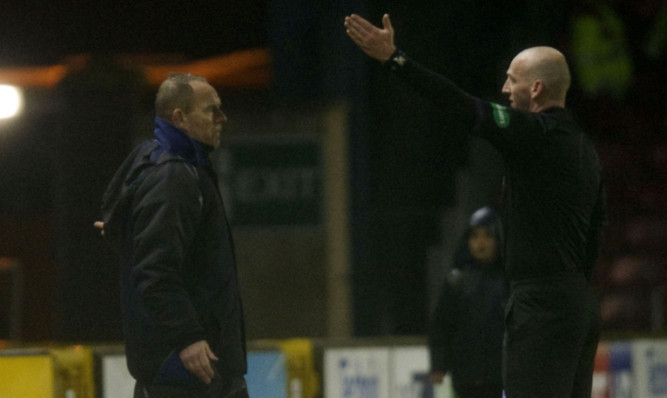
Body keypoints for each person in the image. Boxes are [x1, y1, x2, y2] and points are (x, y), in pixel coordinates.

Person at [344, 14, 607, 398]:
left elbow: (460, 105)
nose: (504, 89)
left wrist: (395, 60)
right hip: (579, 303)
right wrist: (571, 287)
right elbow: (598, 229)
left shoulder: (533, 135)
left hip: (542, 306)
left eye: (511, 80)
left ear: (535, 89)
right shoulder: (586, 149)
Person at [98, 73, 249, 398]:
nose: (222, 118)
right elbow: (155, 271)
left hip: (197, 372)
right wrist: (188, 338)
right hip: (188, 374)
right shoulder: (174, 176)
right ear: (179, 117)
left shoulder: (163, 163)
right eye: (211, 110)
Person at [429, 206, 507, 398]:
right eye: (475, 236)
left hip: (501, 378)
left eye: (488, 236)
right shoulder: (456, 282)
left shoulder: (510, 281)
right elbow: (441, 325)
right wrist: (438, 365)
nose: (481, 243)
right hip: (465, 378)